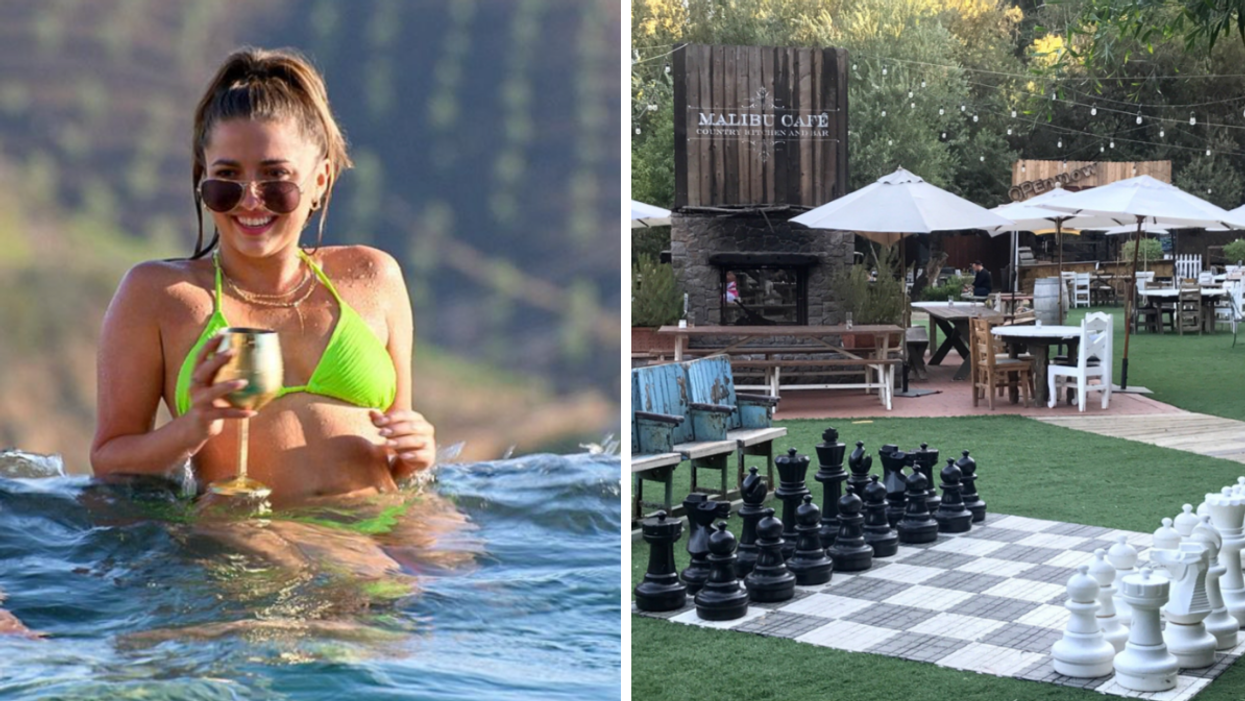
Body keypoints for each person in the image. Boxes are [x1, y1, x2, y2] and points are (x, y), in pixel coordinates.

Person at [91, 48, 436, 509]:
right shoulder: (159, 296)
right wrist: (193, 428)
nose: (250, 200)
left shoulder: (374, 277)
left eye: (275, 178)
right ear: (201, 181)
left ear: (320, 181)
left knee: (471, 578)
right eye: (226, 179)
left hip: (387, 523)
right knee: (336, 567)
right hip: (251, 537)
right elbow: (109, 459)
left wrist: (415, 454)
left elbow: (400, 442)